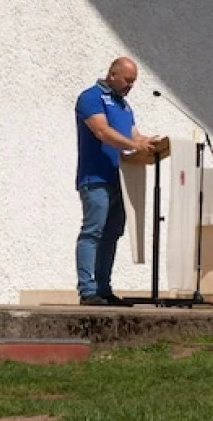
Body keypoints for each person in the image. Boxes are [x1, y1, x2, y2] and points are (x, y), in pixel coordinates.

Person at [74, 57, 162, 306]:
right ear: (112, 74)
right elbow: (102, 131)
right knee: (93, 231)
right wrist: (135, 144)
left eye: (134, 82)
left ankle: (104, 288)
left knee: (112, 234)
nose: (130, 86)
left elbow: (133, 135)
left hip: (121, 179)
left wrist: (151, 143)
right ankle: (87, 290)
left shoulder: (124, 105)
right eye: (127, 80)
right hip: (97, 178)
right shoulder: (91, 97)